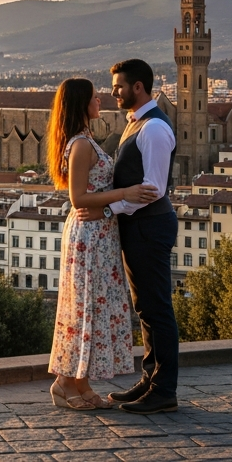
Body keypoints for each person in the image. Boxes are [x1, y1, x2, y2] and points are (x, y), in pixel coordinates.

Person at [46, 77, 158, 410]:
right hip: (87, 238)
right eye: (95, 97)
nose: (101, 100)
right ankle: (64, 383)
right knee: (83, 309)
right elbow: (78, 197)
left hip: (100, 235)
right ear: (81, 103)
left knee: (93, 308)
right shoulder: (81, 145)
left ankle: (80, 381)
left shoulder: (86, 140)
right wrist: (125, 194)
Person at [80, 58, 180, 414]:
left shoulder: (152, 129)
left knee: (158, 309)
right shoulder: (136, 124)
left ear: (139, 87)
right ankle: (150, 379)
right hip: (139, 226)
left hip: (149, 225)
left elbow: (151, 188)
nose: (114, 93)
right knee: (147, 309)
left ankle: (164, 389)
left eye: (119, 87)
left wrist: (107, 210)